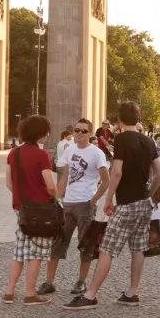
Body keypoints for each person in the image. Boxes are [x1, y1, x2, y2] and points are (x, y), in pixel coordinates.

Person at [68, 101, 160, 310]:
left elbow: (117, 172)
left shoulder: (121, 139)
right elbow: (159, 173)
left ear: (119, 120)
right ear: (138, 118)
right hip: (143, 203)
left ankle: (91, 295)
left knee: (107, 248)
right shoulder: (148, 141)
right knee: (138, 248)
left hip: (126, 202)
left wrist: (109, 198)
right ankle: (132, 292)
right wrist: (149, 193)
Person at [41, 123, 108, 296]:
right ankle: (49, 281)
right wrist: (56, 197)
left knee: (85, 245)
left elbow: (106, 181)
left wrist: (93, 201)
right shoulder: (70, 151)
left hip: (85, 204)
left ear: (90, 133)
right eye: (76, 131)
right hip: (67, 204)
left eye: (83, 131)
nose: (79, 134)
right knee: (57, 243)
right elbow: (65, 178)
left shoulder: (97, 153)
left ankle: (81, 281)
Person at [4, 115, 60, 305]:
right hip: (41, 210)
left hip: (22, 208)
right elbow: (50, 185)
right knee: (35, 253)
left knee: (19, 252)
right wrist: (56, 197)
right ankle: (30, 294)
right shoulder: (41, 155)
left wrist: (22, 196)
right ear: (40, 133)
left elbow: (9, 183)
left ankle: (9, 292)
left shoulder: (14, 153)